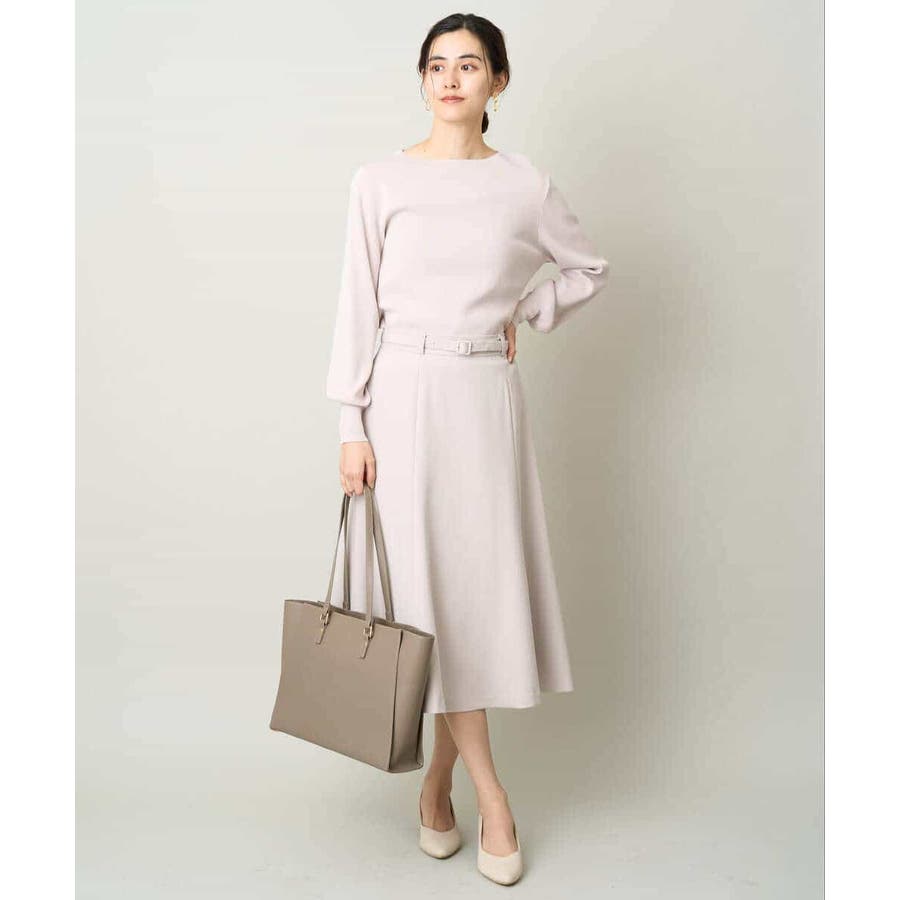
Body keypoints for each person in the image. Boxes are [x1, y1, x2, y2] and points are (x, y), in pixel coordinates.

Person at [324, 12, 609, 887]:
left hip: (484, 398)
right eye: (437, 66)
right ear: (422, 80)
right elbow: (357, 304)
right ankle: (493, 796)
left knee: (470, 601)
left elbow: (587, 268)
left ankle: (435, 787)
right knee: (426, 603)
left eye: (470, 65)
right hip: (401, 398)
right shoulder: (380, 181)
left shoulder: (525, 185)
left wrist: (527, 308)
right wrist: (350, 424)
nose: (450, 80)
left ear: (498, 82)